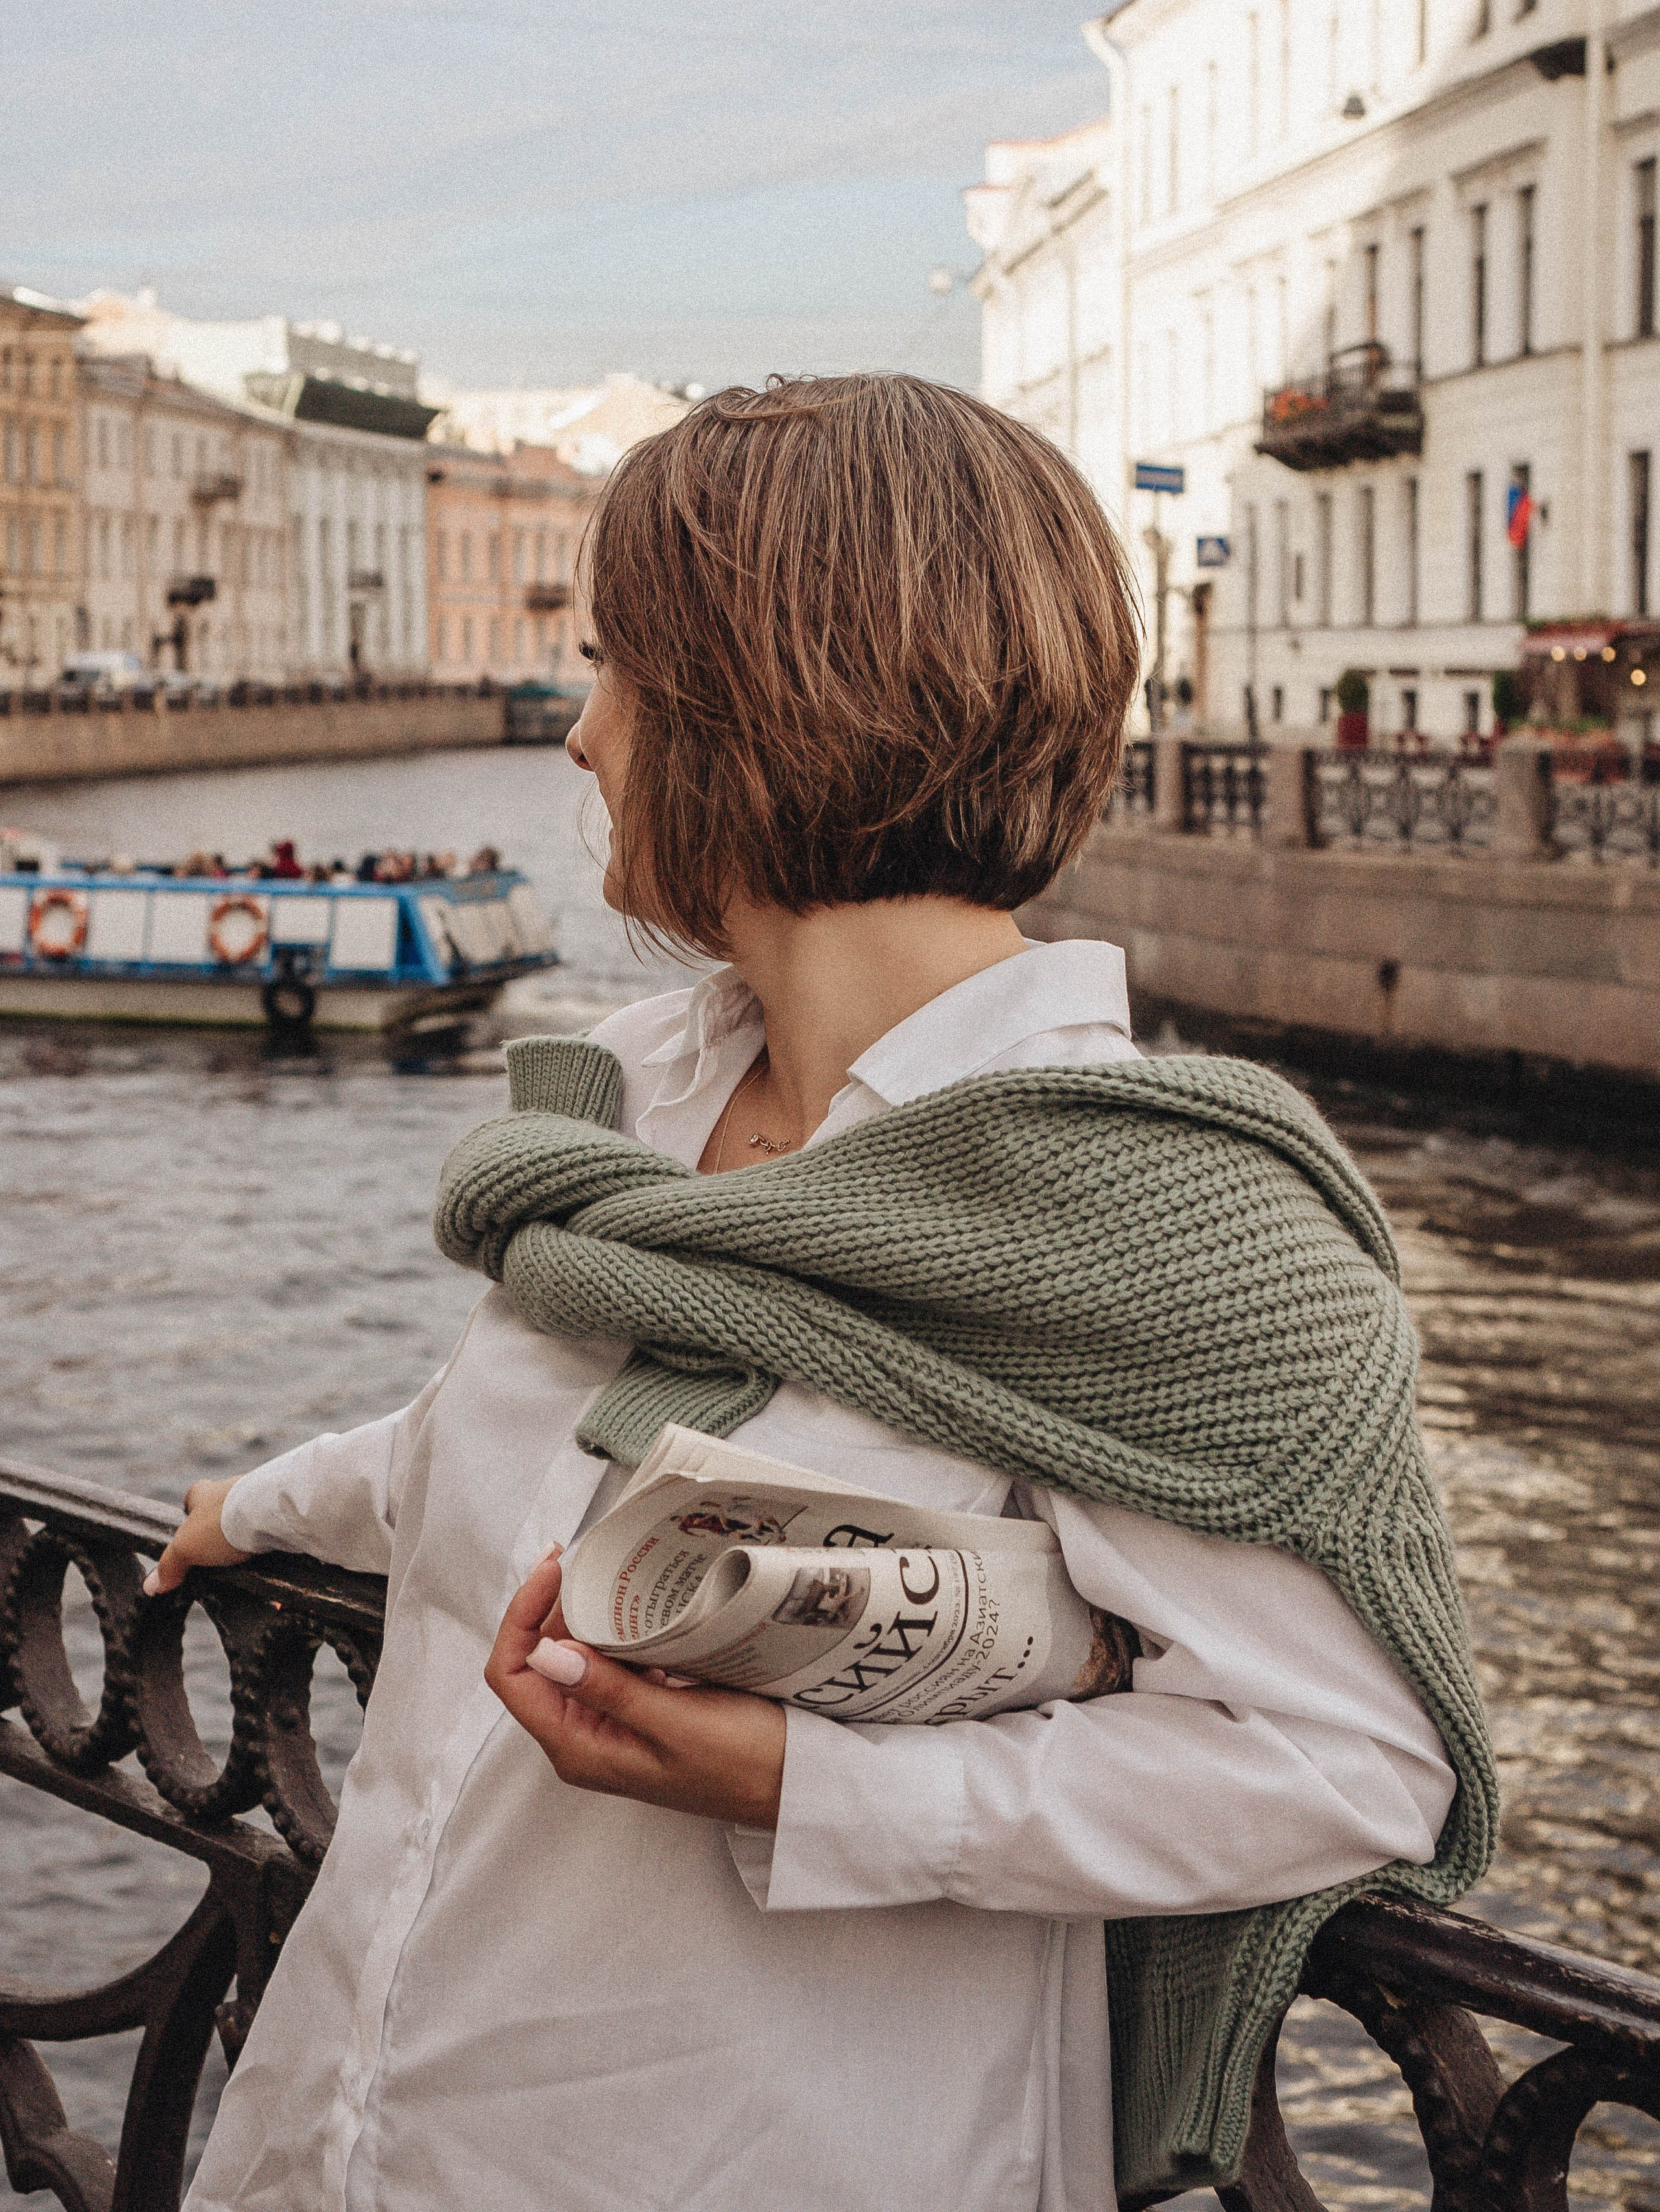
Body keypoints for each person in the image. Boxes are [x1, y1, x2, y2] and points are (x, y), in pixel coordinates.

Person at [151, 375, 1493, 2212]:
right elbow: (508, 1456)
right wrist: (260, 1505)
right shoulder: (637, 1102)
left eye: (618, 669)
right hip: (365, 2130)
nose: (578, 736)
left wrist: (823, 1789)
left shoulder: (1166, 1232)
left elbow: (1350, 1767)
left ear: (765, 701)